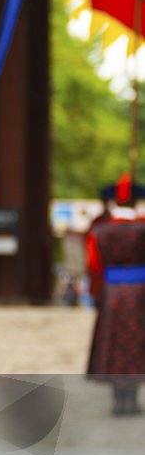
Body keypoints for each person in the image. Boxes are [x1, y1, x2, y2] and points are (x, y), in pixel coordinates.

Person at [86, 173, 145, 415]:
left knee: (114, 343)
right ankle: (131, 398)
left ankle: (118, 399)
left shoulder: (100, 232)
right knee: (136, 344)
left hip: (112, 293)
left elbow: (94, 265)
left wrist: (97, 294)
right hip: (140, 292)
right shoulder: (142, 229)